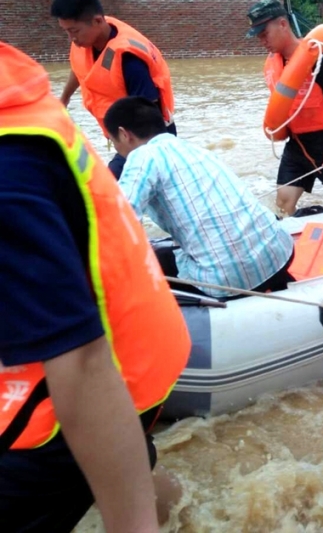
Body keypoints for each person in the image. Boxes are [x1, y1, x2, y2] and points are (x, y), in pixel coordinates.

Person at [0, 41, 189, 532]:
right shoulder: (25, 104)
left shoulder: (12, 163)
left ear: (123, 136)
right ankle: (179, 509)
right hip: (144, 348)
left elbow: (80, 361)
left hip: (90, 382)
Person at [104, 96, 295, 297]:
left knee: (153, 262)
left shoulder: (142, 156)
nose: (115, 149)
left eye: (111, 141)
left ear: (124, 134)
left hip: (227, 279)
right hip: (280, 253)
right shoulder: (193, 149)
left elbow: (123, 220)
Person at [50, 0, 177, 180]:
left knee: (113, 187)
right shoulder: (85, 41)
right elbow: (80, 68)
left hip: (150, 135)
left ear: (98, 21)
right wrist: (64, 99)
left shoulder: (129, 59)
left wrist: (124, 158)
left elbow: (147, 114)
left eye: (74, 31)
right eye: (66, 32)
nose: (71, 39)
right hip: (123, 134)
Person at [247, 0, 323, 215]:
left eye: (264, 34)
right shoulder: (275, 65)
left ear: (283, 24)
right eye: (259, 37)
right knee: (283, 202)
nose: (262, 41)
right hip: (297, 143)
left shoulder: (318, 59)